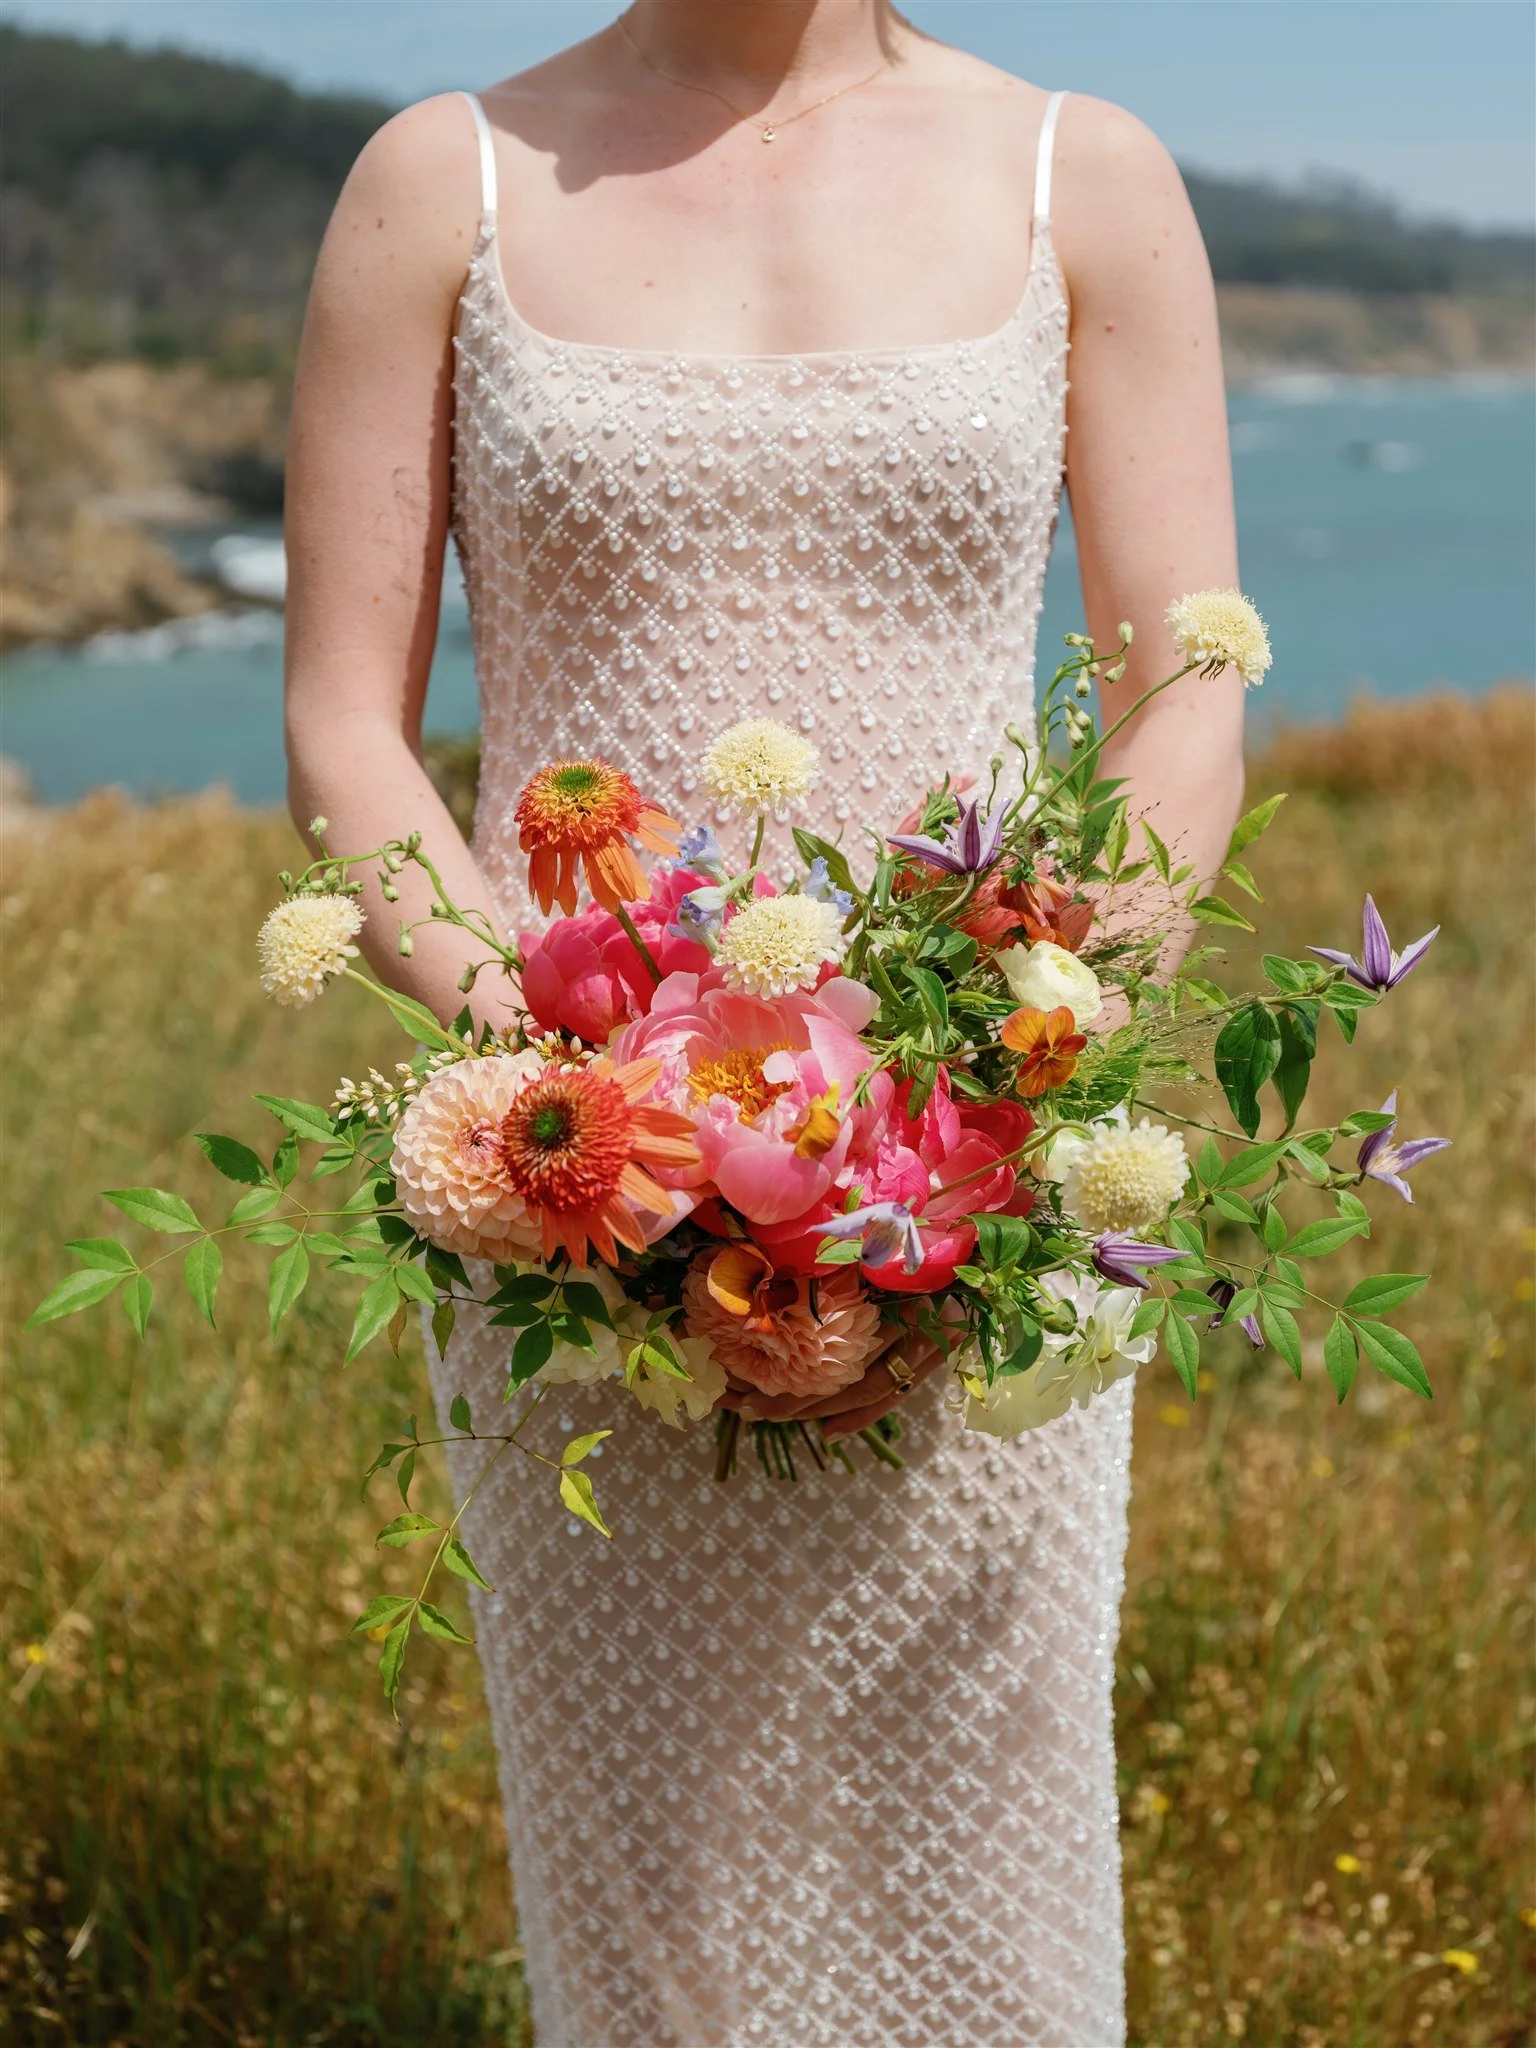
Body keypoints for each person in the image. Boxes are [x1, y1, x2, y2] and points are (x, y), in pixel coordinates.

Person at [284, 5, 1244, 2041]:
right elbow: (343, 733)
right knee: (658, 1902)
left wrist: (1009, 1093)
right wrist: (577, 1141)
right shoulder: (433, 184)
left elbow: (1190, 696)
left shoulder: (1090, 175)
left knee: (987, 1879)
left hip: (976, 1210)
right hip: (578, 1234)